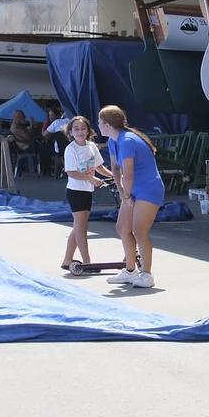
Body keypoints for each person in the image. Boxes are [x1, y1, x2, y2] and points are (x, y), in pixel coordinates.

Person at [99, 105, 164, 289]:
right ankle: (130, 271)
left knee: (139, 231)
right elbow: (116, 169)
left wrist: (126, 196)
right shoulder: (113, 141)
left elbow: (128, 174)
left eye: (99, 122)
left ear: (107, 124)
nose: (97, 125)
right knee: (122, 228)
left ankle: (147, 275)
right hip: (132, 190)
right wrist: (122, 194)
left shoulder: (127, 140)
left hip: (148, 190)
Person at [60, 116, 113, 270]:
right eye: (76, 129)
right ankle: (88, 262)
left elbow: (100, 167)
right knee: (81, 228)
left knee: (78, 226)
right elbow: (71, 172)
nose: (80, 132)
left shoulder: (91, 146)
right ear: (70, 132)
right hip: (75, 192)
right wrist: (92, 179)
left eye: (83, 128)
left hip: (87, 191)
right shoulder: (71, 149)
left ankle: (67, 260)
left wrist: (115, 176)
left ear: (88, 130)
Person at [42, 105, 72, 177]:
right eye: (49, 115)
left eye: (52, 115)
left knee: (47, 149)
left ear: (58, 115)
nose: (50, 117)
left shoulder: (56, 122)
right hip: (71, 146)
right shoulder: (71, 121)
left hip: (60, 149)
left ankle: (54, 170)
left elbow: (44, 134)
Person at [8, 109, 41, 174]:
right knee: (45, 149)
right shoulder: (15, 127)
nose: (24, 118)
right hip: (25, 147)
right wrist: (31, 126)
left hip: (25, 145)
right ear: (18, 117)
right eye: (22, 117)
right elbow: (27, 137)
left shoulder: (19, 125)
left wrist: (32, 126)